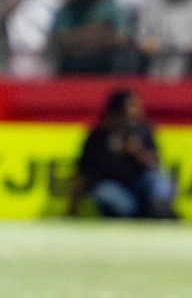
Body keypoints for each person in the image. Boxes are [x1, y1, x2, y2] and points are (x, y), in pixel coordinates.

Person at [75, 90, 177, 219]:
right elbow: (84, 174)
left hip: (141, 187)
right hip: (117, 190)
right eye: (132, 106)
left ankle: (164, 216)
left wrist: (136, 152)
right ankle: (130, 219)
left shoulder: (141, 130)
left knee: (159, 182)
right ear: (116, 111)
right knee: (104, 192)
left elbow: (155, 165)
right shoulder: (98, 137)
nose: (137, 111)